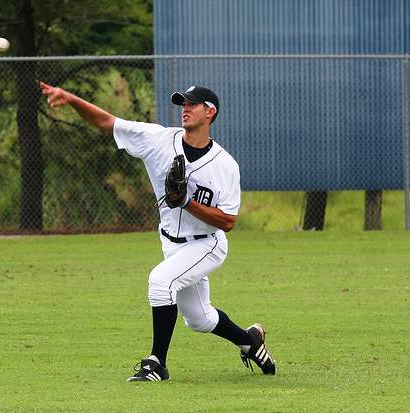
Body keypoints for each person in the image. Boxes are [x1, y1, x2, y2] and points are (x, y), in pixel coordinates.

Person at [40, 81, 276, 381]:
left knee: (160, 282)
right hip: (172, 244)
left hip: (207, 244)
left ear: (210, 112)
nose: (185, 108)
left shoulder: (225, 165)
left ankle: (156, 364)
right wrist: (72, 99)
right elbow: (107, 122)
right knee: (200, 319)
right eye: (183, 103)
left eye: (192, 104)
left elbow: (228, 221)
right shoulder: (158, 140)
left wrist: (187, 203)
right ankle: (250, 340)